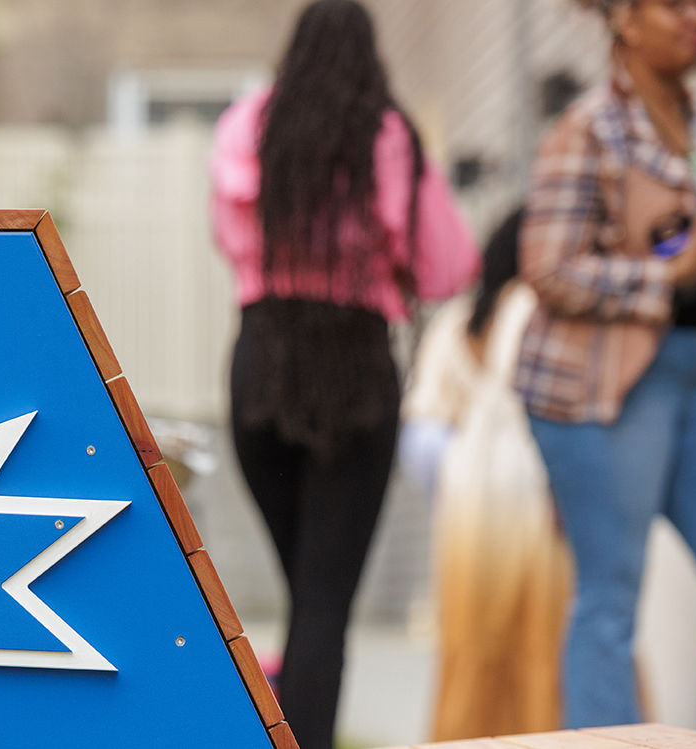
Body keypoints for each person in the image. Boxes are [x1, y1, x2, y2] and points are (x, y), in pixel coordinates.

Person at [209, 2, 479, 746]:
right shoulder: (387, 133)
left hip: (260, 361)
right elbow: (448, 265)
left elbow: (225, 235)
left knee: (308, 592)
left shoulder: (247, 124)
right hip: (356, 366)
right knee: (324, 599)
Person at [519, 0, 696, 737]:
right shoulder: (588, 129)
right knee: (611, 593)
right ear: (623, 19)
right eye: (676, 4)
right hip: (603, 387)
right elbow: (548, 267)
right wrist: (668, 274)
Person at [403, 210, 571, 740]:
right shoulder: (542, 310)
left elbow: (422, 430)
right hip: (535, 489)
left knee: (467, 644)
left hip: (466, 497)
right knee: (543, 643)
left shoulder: (455, 322)